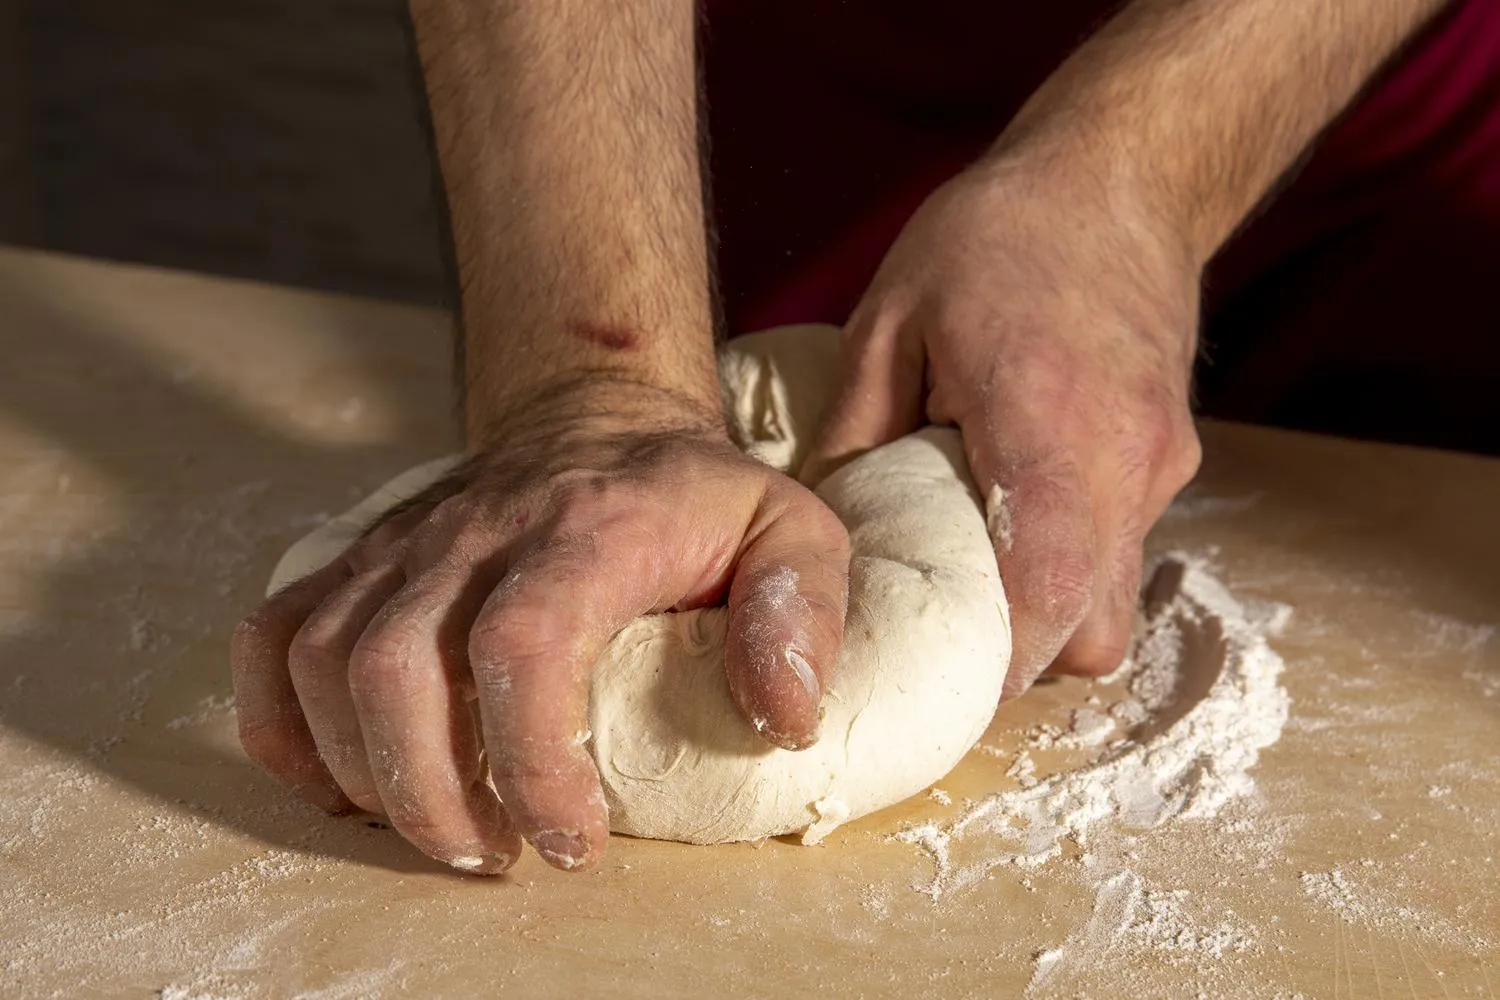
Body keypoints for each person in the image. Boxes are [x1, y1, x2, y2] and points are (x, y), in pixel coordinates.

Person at [232, 0, 1500, 876]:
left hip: (1342, 89)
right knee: (833, 406)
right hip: (755, 81)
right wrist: (587, 390)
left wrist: (1139, 171)